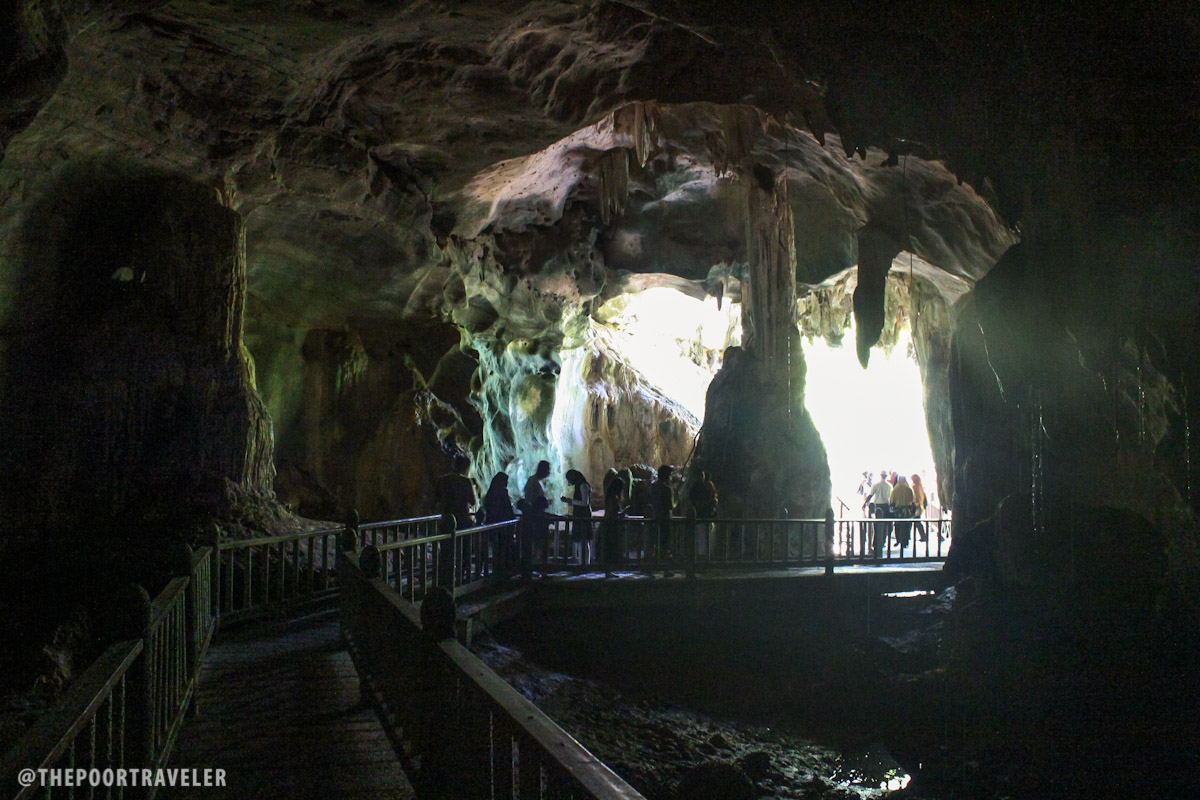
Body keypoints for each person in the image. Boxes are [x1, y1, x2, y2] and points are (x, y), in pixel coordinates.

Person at [521, 460, 551, 575]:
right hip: (534, 518)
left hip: (539, 516)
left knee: (540, 544)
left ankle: (538, 568)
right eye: (548, 470)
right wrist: (541, 504)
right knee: (535, 543)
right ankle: (531, 568)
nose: (549, 472)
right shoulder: (533, 481)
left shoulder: (538, 481)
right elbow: (530, 499)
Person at [483, 472, 516, 569]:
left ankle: (497, 566)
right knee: (503, 546)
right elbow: (507, 508)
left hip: (493, 523)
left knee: (496, 547)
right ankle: (502, 567)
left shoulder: (490, 492)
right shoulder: (502, 492)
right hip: (502, 524)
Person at [434, 453, 477, 530]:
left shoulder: (442, 480)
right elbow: (473, 501)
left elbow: (436, 499)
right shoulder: (466, 481)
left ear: (453, 465)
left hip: (446, 518)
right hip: (462, 519)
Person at [561, 469, 594, 566]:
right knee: (580, 540)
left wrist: (570, 501)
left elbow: (585, 502)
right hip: (579, 515)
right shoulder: (580, 485)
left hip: (583, 515)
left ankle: (585, 563)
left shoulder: (583, 485)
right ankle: (582, 563)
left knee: (584, 540)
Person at [649, 465, 676, 573]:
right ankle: (665, 570)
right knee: (665, 546)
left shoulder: (654, 487)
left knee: (656, 544)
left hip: (655, 518)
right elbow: (671, 506)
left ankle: (653, 568)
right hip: (665, 520)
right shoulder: (667, 489)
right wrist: (676, 498)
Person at [688, 469, 719, 562]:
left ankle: (704, 556)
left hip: (705, 516)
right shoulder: (697, 488)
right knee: (703, 537)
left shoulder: (705, 487)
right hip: (702, 517)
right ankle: (703, 556)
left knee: (705, 537)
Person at [862, 470, 892, 558]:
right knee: (885, 525)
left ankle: (876, 542)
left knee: (876, 525)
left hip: (877, 505)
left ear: (880, 475)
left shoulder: (875, 485)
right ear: (886, 476)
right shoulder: (889, 486)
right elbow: (890, 498)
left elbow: (870, 495)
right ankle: (882, 541)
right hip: (886, 506)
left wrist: (865, 503)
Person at [601, 475, 626, 577]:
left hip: (608, 524)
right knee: (611, 548)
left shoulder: (610, 497)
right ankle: (608, 571)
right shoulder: (614, 498)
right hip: (611, 525)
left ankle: (608, 571)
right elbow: (612, 513)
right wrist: (623, 513)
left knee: (609, 548)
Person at [890, 474, 916, 551]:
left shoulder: (895, 489)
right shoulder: (909, 489)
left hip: (898, 510)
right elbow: (912, 500)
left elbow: (892, 500)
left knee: (898, 525)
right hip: (907, 510)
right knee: (907, 526)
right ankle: (905, 541)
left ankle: (898, 540)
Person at [910, 473, 928, 543]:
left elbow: (914, 497)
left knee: (916, 522)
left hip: (916, 506)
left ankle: (923, 536)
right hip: (920, 506)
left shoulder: (914, 487)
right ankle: (923, 536)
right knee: (917, 522)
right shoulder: (920, 486)